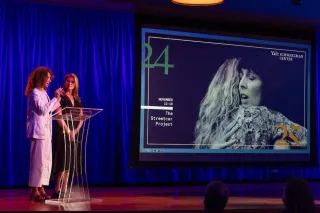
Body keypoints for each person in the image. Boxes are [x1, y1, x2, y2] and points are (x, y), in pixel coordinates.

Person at [194, 58, 307, 149]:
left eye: (251, 78)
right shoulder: (265, 115)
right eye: (239, 78)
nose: (241, 84)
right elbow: (310, 138)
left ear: (267, 86)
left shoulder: (212, 123)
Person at [25, 66, 63, 202]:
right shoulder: (34, 92)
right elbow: (42, 111)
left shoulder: (44, 93)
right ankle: (34, 190)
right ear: (41, 78)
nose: (49, 81)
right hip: (38, 132)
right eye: (47, 78)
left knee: (45, 162)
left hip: (46, 132)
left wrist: (57, 98)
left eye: (49, 78)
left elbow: (50, 110)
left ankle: (40, 187)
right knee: (37, 162)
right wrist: (54, 98)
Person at [51, 73, 84, 199]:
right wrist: (68, 131)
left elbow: (81, 117)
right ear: (64, 82)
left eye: (72, 82)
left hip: (74, 134)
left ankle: (65, 189)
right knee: (62, 161)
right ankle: (57, 189)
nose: (69, 83)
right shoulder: (60, 97)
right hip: (62, 133)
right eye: (67, 81)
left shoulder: (77, 99)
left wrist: (75, 131)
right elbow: (58, 116)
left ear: (75, 84)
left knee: (69, 162)